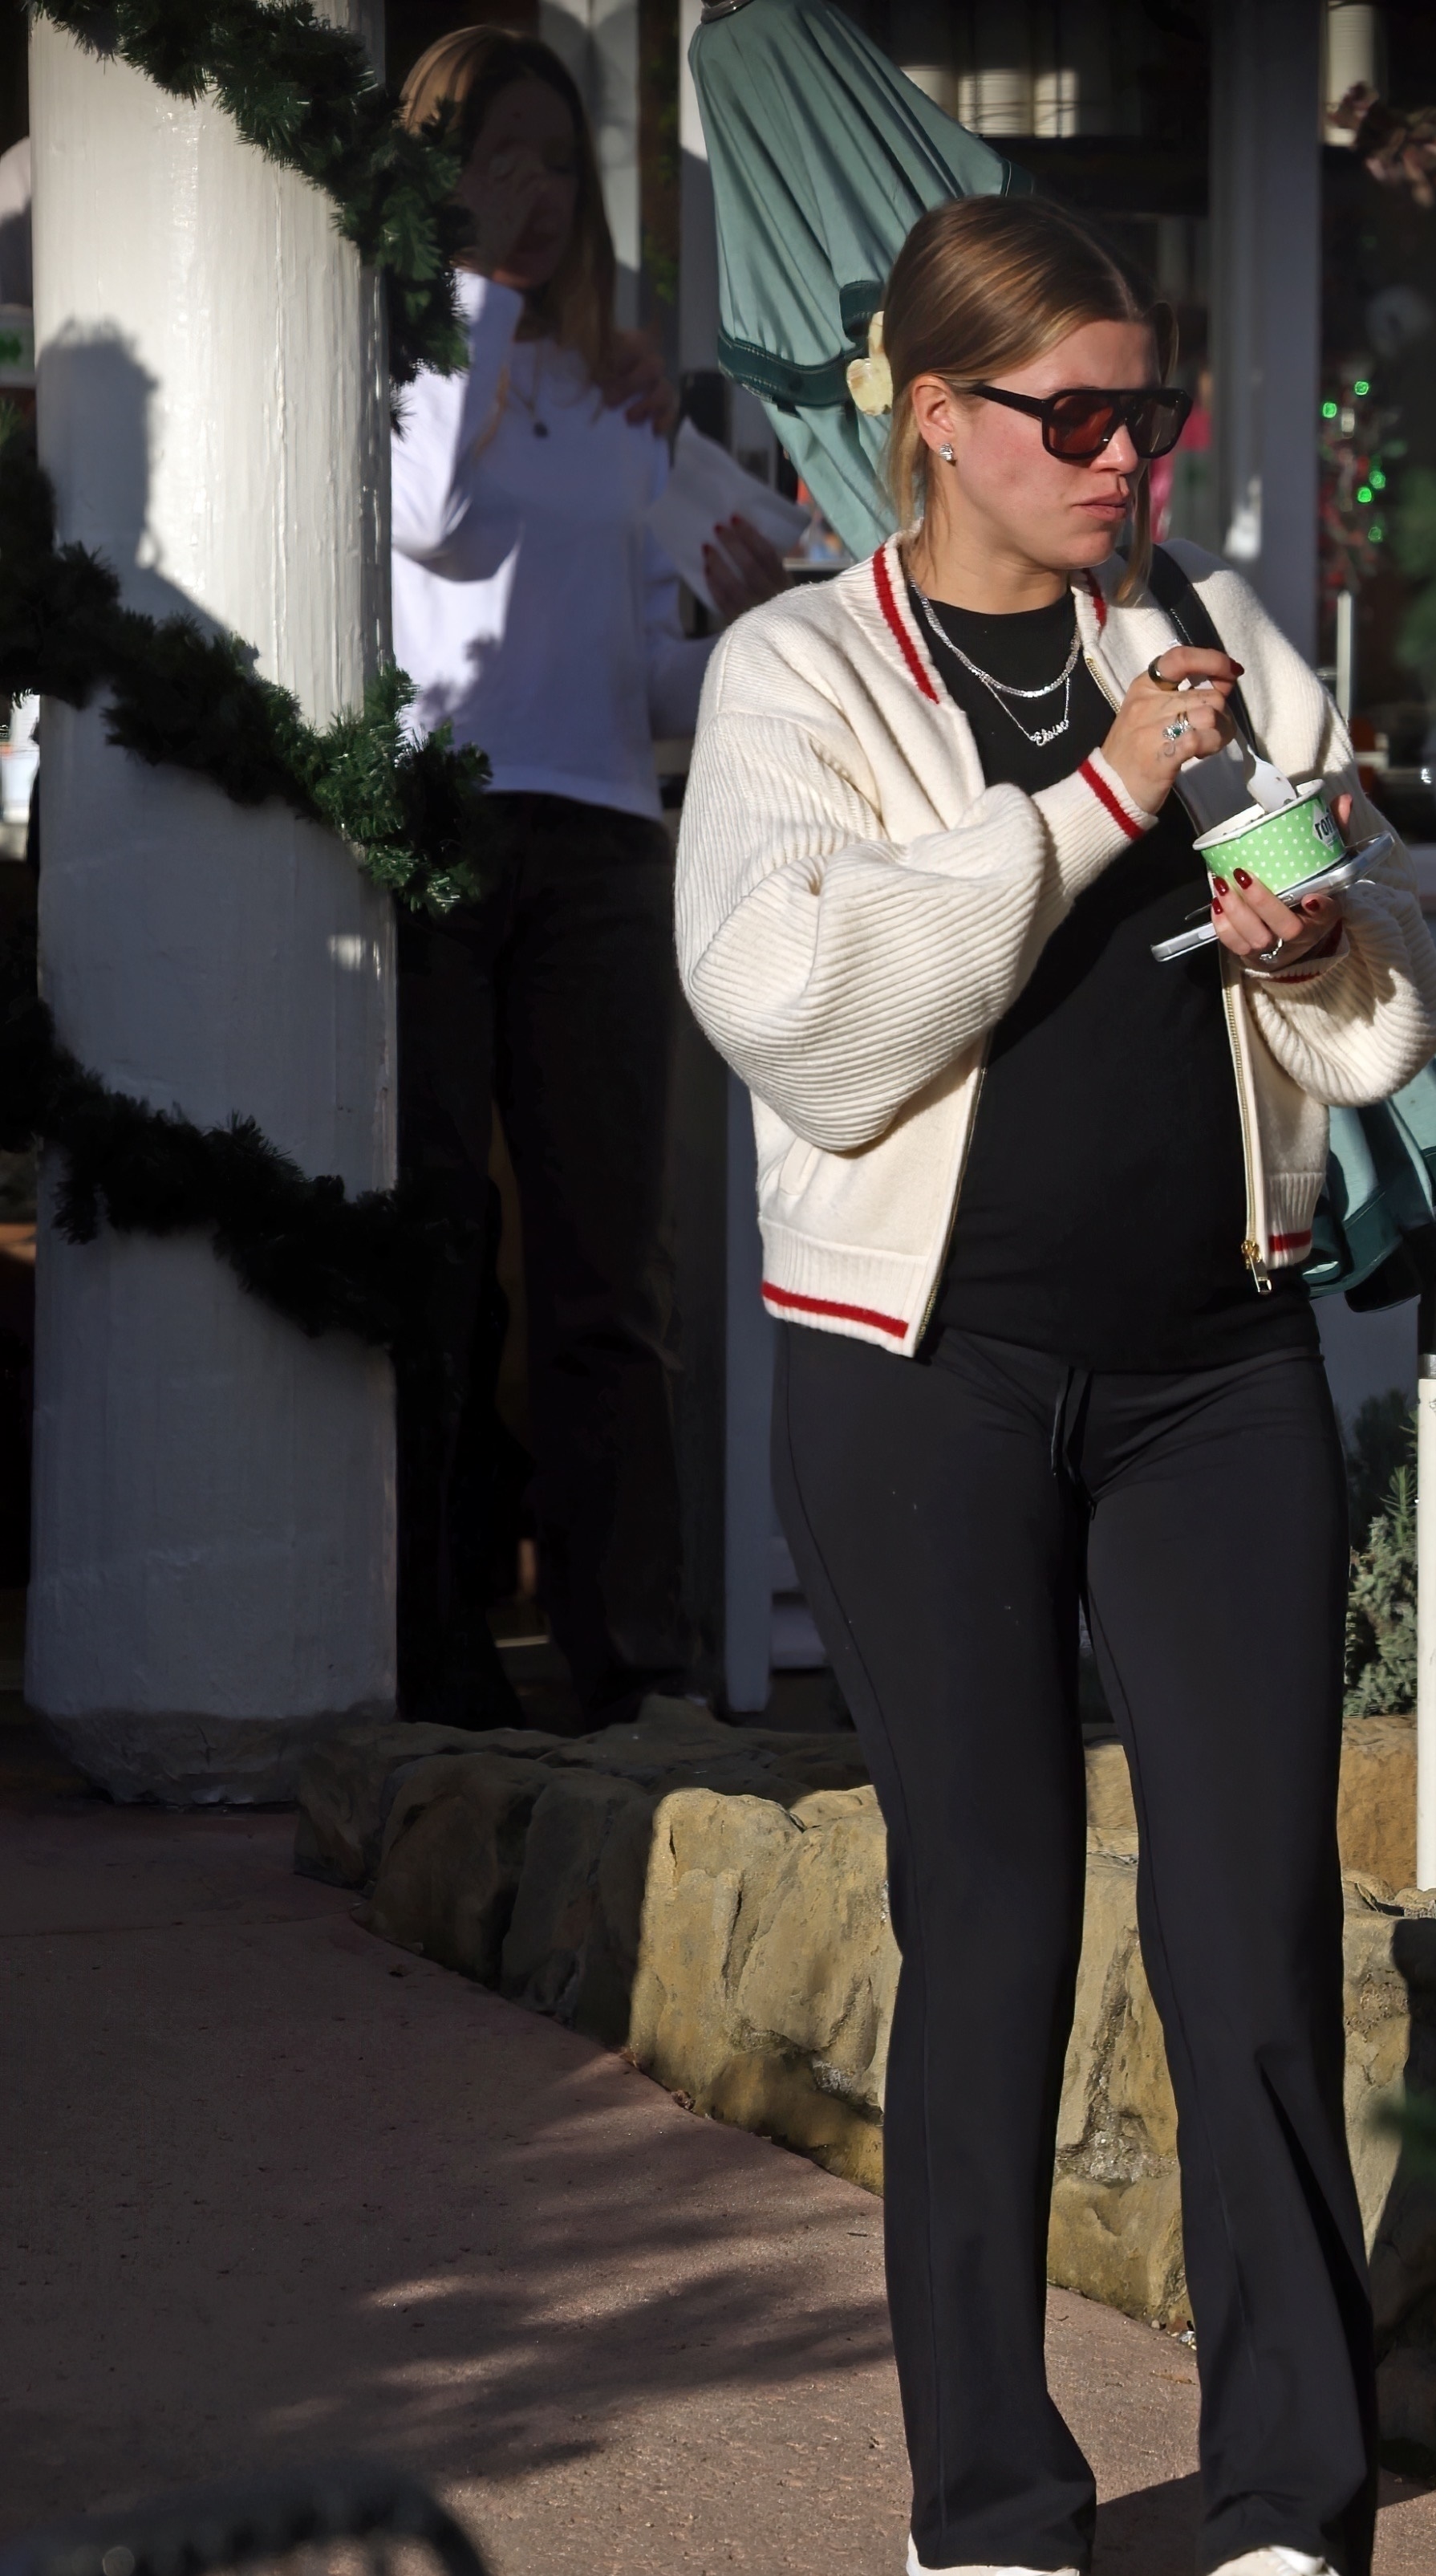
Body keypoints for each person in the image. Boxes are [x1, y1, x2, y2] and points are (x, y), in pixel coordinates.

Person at [678, 195, 1436, 2576]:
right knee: (990, 1918)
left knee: (1249, 1927)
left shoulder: (1228, 664)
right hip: (924, 1379)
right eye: (1076, 415)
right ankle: (990, 2483)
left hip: (1219, 1371)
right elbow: (805, 1016)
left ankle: (1284, 2523)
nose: (1129, 456)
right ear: (934, 414)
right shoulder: (800, 671)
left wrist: (1316, 934)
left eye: (1156, 411)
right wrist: (1105, 805)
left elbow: (1385, 1032)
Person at [391, 27, 783, 1726]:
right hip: (432, 830)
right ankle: (426, 1649)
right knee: (430, 1252)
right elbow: (432, 529)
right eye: (502, 161)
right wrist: (480, 295)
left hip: (608, 837)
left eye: (558, 164)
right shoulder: (412, 359)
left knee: (607, 1275)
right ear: (438, 177)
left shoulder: (626, 407)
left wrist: (765, 635)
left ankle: (636, 1668)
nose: (537, 196)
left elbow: (650, 670)